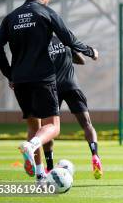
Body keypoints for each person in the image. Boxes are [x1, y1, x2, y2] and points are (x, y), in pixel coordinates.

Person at [0, 0, 98, 184]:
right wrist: (90, 51)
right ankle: (30, 146)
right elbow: (68, 39)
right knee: (53, 126)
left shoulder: (11, 17)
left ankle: (40, 178)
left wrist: (9, 74)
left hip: (20, 80)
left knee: (34, 126)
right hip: (42, 78)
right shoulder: (47, 12)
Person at [42, 35, 103, 179]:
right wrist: (66, 55)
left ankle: (50, 167)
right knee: (87, 124)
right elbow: (81, 61)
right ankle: (95, 155)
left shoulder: (39, 45)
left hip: (52, 88)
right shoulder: (64, 40)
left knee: (49, 127)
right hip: (72, 86)